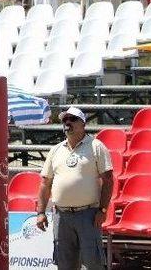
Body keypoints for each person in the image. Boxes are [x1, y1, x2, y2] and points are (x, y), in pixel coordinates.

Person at [36, 106, 113, 270]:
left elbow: (108, 180)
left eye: (72, 119)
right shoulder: (55, 150)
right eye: (65, 120)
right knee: (65, 264)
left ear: (83, 123)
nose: (67, 123)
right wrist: (41, 212)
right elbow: (45, 183)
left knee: (93, 264)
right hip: (61, 215)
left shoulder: (96, 146)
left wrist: (103, 210)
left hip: (88, 214)